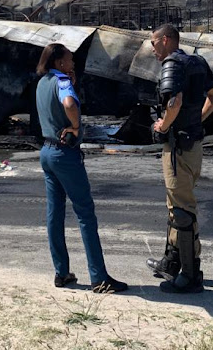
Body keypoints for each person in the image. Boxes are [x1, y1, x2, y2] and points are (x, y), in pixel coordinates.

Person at [35, 43, 127, 293]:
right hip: (65, 153)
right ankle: (99, 276)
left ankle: (61, 272)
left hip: (47, 151)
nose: (73, 63)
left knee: (55, 214)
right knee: (85, 213)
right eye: (70, 59)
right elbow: (68, 104)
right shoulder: (62, 80)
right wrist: (75, 128)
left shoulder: (42, 82)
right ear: (59, 62)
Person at [147, 24, 213, 293]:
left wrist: (163, 126)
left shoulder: (172, 63)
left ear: (165, 40)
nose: (152, 49)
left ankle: (191, 276)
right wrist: (197, 119)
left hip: (178, 146)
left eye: (153, 43)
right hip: (192, 144)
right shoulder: (198, 62)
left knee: (182, 210)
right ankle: (172, 262)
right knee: (175, 205)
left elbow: (174, 102)